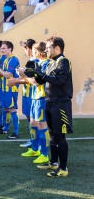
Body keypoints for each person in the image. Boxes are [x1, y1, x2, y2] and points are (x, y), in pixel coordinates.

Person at [34, 36, 72, 177]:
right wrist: (36, 74)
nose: (47, 49)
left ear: (57, 48)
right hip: (49, 102)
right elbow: (42, 81)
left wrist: (43, 75)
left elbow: (60, 80)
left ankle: (63, 168)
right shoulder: (51, 63)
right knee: (52, 135)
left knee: (60, 137)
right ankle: (53, 162)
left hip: (61, 104)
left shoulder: (64, 62)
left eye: (49, 47)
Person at [11, 42, 51, 164]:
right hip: (34, 97)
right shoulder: (37, 63)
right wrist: (22, 75)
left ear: (38, 51)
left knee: (42, 125)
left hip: (41, 97)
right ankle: (35, 149)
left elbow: (36, 82)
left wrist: (18, 79)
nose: (32, 53)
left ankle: (44, 154)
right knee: (33, 123)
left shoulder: (47, 64)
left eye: (33, 50)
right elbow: (30, 80)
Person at [0, 41, 20, 139]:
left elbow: (8, 75)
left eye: (3, 48)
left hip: (11, 88)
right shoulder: (6, 59)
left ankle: (16, 132)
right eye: (1, 48)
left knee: (12, 109)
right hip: (4, 87)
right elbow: (1, 74)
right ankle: (5, 128)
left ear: (10, 48)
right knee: (6, 108)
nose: (2, 50)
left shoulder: (14, 60)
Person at [20, 39, 36, 147]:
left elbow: (32, 79)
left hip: (32, 94)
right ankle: (32, 140)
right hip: (26, 93)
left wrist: (19, 77)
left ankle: (35, 142)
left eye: (25, 49)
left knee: (33, 119)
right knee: (28, 117)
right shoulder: (30, 60)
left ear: (29, 49)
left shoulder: (35, 62)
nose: (24, 51)